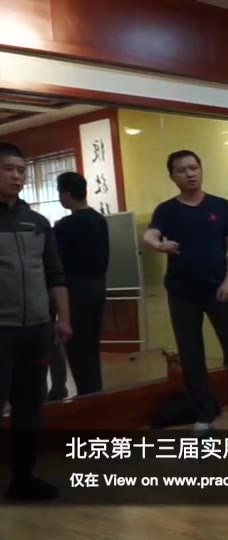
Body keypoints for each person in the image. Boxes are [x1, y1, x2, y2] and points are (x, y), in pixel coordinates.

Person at [144, 150, 228, 433]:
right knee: (191, 354)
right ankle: (205, 417)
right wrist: (158, 245)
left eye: (194, 168)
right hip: (182, 292)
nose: (190, 174)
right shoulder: (167, 210)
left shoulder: (221, 206)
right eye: (182, 170)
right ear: (172, 176)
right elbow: (150, 234)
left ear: (201, 170)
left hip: (219, 289)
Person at [0, 141, 71, 500]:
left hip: (37, 329)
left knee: (30, 406)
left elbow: (55, 273)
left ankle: (23, 479)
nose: (17, 176)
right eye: (8, 169)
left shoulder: (38, 222)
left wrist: (63, 318)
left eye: (21, 170)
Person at [52, 172, 109, 396]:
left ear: (66, 194)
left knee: (77, 347)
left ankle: (86, 396)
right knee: (91, 345)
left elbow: (55, 262)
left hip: (75, 290)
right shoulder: (99, 219)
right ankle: (94, 392)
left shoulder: (66, 225)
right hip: (98, 287)